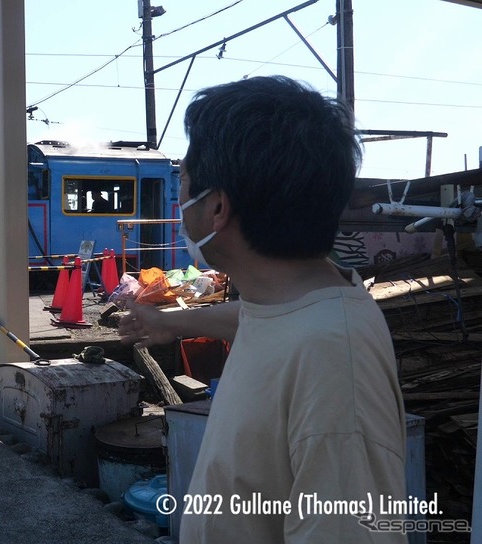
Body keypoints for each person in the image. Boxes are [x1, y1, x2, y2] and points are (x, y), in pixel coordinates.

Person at [118, 76, 406, 543]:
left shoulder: (334, 363)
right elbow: (263, 322)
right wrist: (171, 321)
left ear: (216, 208)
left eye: (184, 182)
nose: (179, 199)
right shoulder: (299, 300)